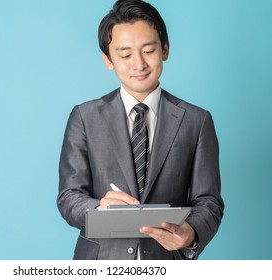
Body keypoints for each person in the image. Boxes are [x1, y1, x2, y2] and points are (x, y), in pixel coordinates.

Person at [57, 0, 224, 260]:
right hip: (100, 262)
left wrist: (190, 233)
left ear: (165, 49)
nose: (138, 64)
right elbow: (69, 196)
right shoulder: (84, 117)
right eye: (124, 55)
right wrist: (99, 208)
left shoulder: (197, 120)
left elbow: (209, 201)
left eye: (148, 50)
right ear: (108, 60)